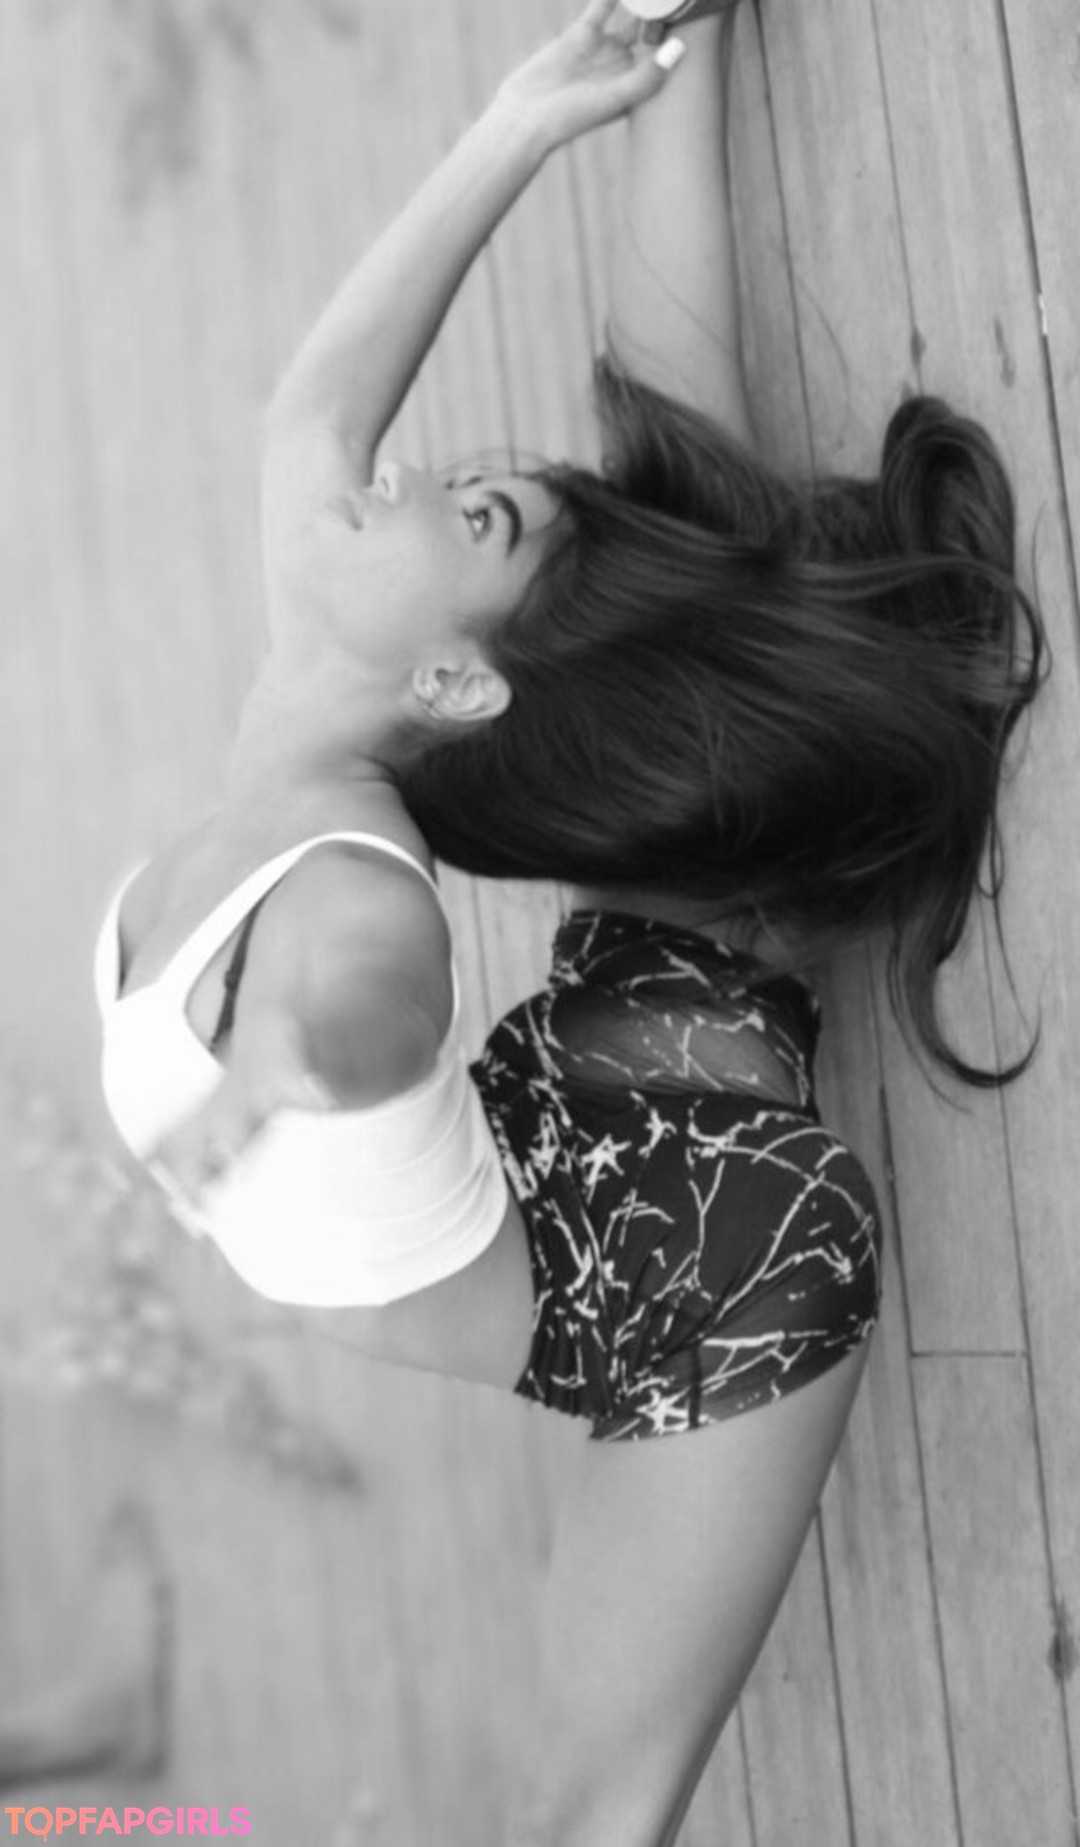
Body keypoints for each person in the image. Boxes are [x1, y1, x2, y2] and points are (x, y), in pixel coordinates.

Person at [93, 4, 1042, 1841]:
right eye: (460, 488)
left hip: (684, 1275)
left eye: (465, 514)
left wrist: (235, 1123)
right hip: (573, 1110)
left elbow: (353, 1019)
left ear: (450, 678)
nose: (410, 473)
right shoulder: (326, 677)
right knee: (680, 657)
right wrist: (539, 117)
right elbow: (316, 410)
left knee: (585, 1813)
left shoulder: (354, 896)